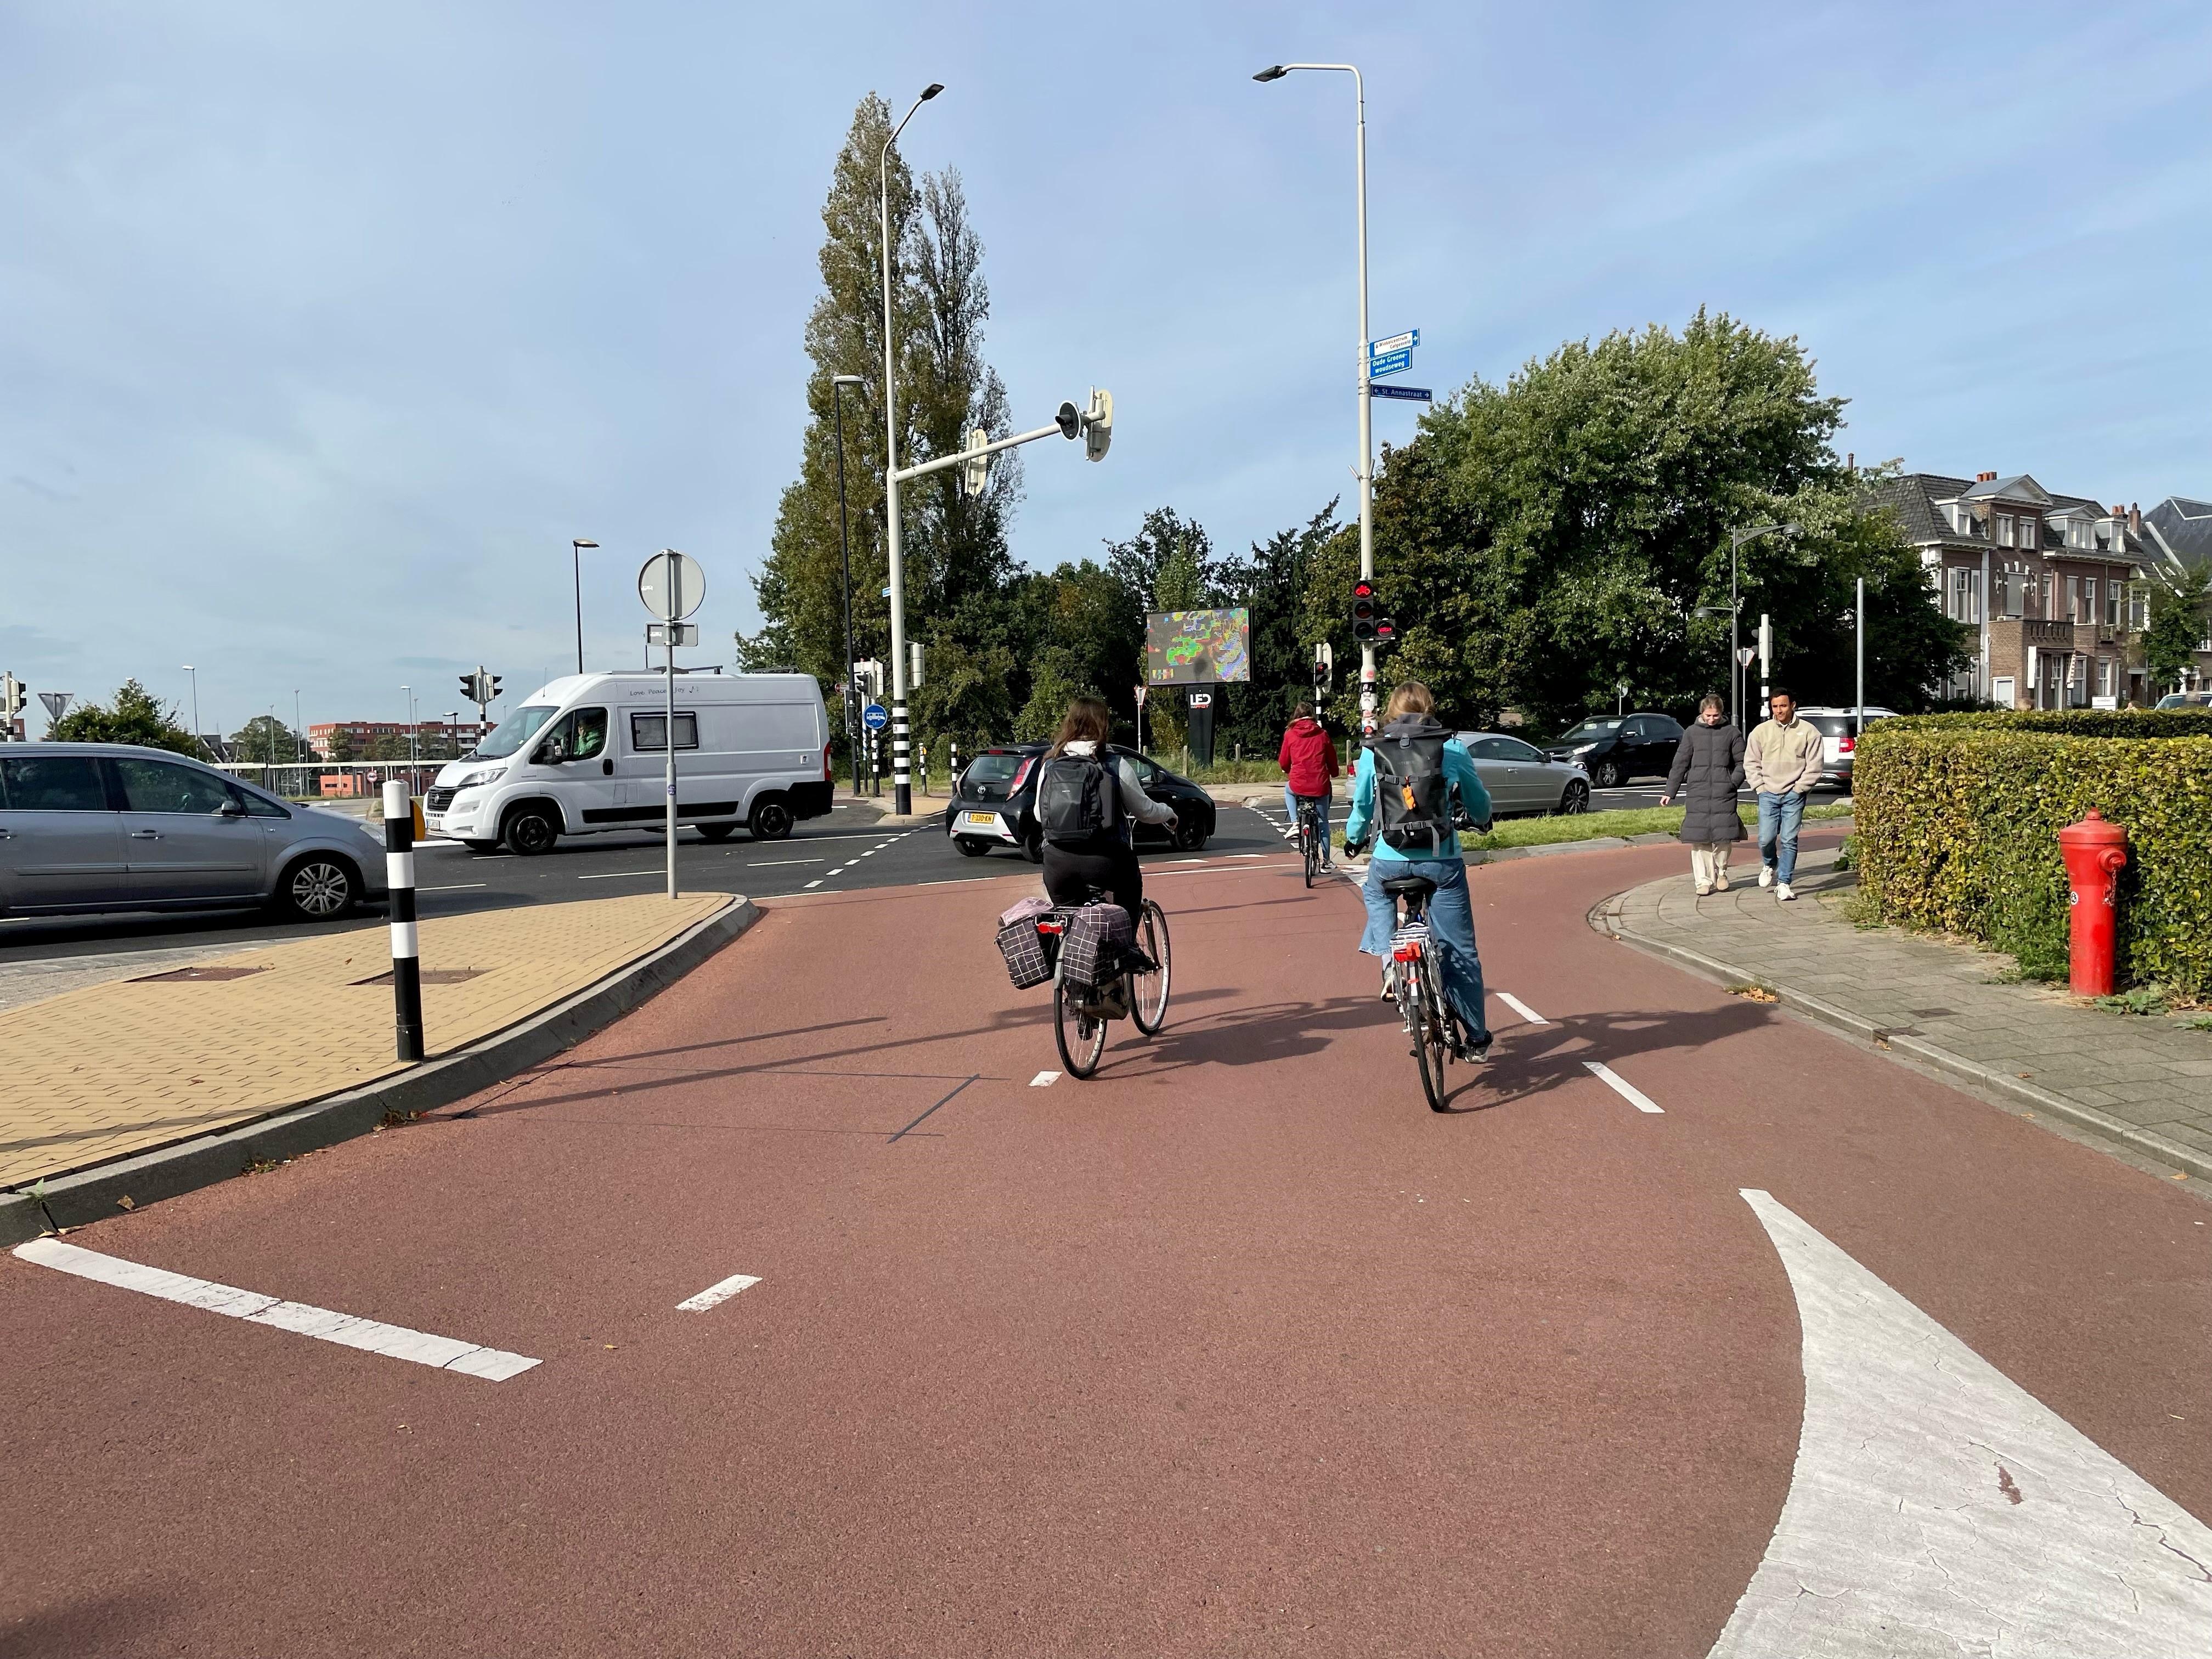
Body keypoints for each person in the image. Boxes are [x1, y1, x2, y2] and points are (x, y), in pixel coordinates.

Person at [1341, 681, 1494, 1058]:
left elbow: (1362, 807)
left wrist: (1354, 839)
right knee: (1460, 950)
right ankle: (1476, 1039)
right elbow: (1478, 801)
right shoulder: (1452, 748)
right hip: (1442, 862)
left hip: (1389, 859)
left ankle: (1390, 963)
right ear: (1429, 709)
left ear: (1391, 712)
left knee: (1375, 892)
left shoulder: (1373, 751)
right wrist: (1482, 818)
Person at [1036, 695, 1177, 928]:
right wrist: (1169, 813)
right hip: (1107, 862)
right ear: (1103, 725)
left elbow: (1039, 815)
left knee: (1069, 924)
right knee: (1128, 899)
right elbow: (1145, 811)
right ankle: (1128, 944)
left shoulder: (1050, 764)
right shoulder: (1114, 764)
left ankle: (1063, 949)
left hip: (1057, 863)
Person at [1659, 693, 1745, 895]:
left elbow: (1743, 763)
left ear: (1721, 713)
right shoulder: (1691, 733)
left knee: (1723, 838)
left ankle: (1722, 873)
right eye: (1708, 715)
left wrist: (1732, 783)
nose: (1712, 719)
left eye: (1716, 715)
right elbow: (1680, 763)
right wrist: (1670, 791)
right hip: (1697, 793)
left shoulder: (1732, 733)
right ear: (1702, 713)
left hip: (1724, 794)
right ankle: (1703, 882)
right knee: (1700, 840)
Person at [1743, 685, 1821, 901]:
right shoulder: (1760, 732)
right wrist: (1760, 787)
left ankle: (1784, 883)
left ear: (1792, 705)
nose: (1779, 710)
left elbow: (1815, 766)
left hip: (1794, 795)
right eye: (1775, 706)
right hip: (1768, 793)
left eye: (1783, 706)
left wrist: (1800, 789)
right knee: (1765, 839)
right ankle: (1770, 863)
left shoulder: (1809, 732)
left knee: (1789, 839)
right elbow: (1751, 762)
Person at [1277, 701, 1341, 866]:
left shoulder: (1290, 734)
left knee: (1288, 790)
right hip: (1320, 784)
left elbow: (1284, 761)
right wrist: (1335, 773)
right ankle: (1326, 861)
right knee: (1323, 822)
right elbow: (1331, 759)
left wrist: (1286, 769)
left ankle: (1295, 823)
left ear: (1296, 716)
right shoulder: (1322, 734)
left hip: (1298, 783)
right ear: (1312, 716)